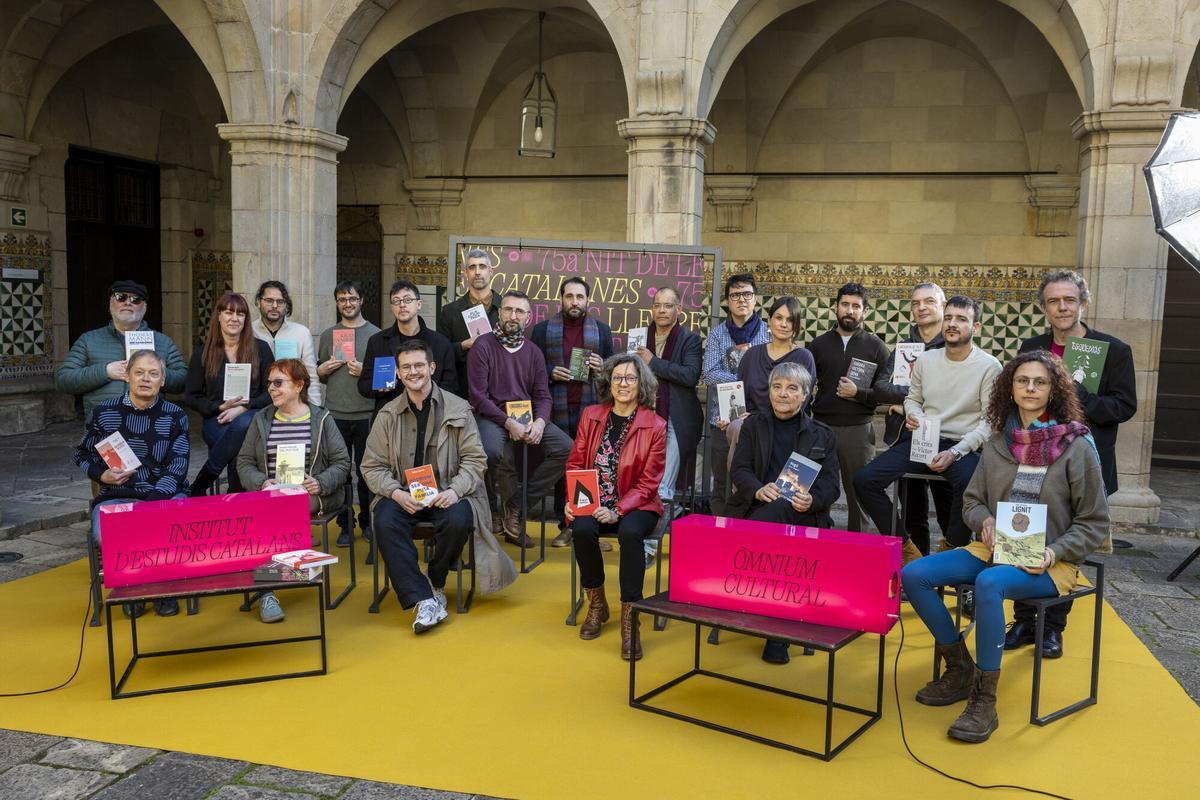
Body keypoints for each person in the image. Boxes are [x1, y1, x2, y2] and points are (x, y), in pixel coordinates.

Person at [901, 351, 1108, 743]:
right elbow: (972, 501)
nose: (1030, 388)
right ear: (1009, 387)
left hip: (1052, 560)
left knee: (990, 584)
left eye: (1040, 382)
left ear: (1054, 390)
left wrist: (1054, 551)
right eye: (1022, 381)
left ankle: (985, 700)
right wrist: (986, 522)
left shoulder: (1076, 446)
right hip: (994, 549)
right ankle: (959, 668)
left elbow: (1095, 522)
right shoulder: (998, 443)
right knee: (915, 573)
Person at [1008, 270, 1136, 658]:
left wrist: (1082, 397)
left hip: (1081, 464)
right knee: (1025, 536)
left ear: (1083, 301)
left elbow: (1124, 406)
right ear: (1044, 307)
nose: (1061, 307)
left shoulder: (1112, 349)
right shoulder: (1033, 346)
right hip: (1033, 458)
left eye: (1069, 299)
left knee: (1066, 546)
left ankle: (1052, 626)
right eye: (1053, 301)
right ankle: (1024, 619)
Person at [360, 340, 515, 633]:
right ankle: (424, 598)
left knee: (459, 520)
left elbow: (475, 460)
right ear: (398, 372)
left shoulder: (459, 409)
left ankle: (436, 579)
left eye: (419, 365)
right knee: (384, 520)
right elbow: (371, 466)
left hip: (448, 491)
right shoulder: (388, 414)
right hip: (404, 493)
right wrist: (395, 492)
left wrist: (455, 490)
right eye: (406, 367)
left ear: (431, 368)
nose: (413, 371)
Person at [854, 296, 1001, 548]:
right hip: (924, 440)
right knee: (864, 480)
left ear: (975, 328)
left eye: (962, 319)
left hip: (963, 446)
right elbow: (913, 399)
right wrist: (915, 415)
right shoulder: (926, 360)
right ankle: (904, 547)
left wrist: (955, 452)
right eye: (950, 317)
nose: (953, 324)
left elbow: (989, 422)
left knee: (968, 487)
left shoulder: (989, 366)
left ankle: (954, 550)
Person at [728, 362, 841, 664]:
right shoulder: (753, 425)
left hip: (802, 516)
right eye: (777, 387)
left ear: (805, 395)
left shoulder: (822, 435)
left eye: (792, 388)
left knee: (783, 508)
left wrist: (813, 500)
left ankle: (755, 604)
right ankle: (776, 630)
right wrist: (757, 489)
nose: (783, 394)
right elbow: (739, 469)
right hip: (756, 508)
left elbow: (832, 487)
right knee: (775, 510)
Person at [72, 349, 190, 618]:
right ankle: (136, 583)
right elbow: (82, 454)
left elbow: (178, 466)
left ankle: (158, 586)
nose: (146, 379)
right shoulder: (104, 413)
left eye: (153, 374)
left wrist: (149, 507)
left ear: (162, 381)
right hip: (118, 494)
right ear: (127, 376)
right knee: (105, 534)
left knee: (168, 527)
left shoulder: (175, 415)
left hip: (164, 495)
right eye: (139, 372)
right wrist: (102, 475)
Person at [566, 353, 666, 661]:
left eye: (630, 379)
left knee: (630, 535)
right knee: (581, 529)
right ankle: (597, 604)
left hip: (638, 503)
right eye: (618, 378)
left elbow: (649, 483)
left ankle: (630, 619)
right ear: (609, 382)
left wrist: (618, 511)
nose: (623, 384)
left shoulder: (656, 424)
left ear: (641, 385)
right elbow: (576, 463)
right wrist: (572, 501)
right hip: (594, 499)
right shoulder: (592, 415)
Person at [236, 359, 351, 623]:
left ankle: (273, 582)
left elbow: (342, 463)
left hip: (311, 495)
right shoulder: (261, 419)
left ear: (299, 385)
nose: (271, 389)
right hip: (271, 495)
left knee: (273, 512)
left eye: (278, 383)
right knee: (265, 510)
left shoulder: (321, 418)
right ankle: (269, 588)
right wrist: (262, 483)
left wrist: (320, 482)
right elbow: (244, 461)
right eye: (269, 384)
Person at [468, 290, 573, 547]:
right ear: (500, 312)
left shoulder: (534, 352)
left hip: (527, 417)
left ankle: (516, 504)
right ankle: (493, 510)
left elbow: (543, 396)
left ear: (528, 318)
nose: (513, 316)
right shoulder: (483, 346)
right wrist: (507, 422)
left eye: (519, 311)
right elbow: (478, 397)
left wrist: (539, 422)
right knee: (493, 452)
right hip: (492, 416)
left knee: (567, 449)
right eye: (508, 309)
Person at [530, 277, 615, 548]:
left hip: (592, 409)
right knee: (565, 467)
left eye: (580, 296)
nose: (575, 301)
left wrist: (603, 366)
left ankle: (590, 526)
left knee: (593, 467)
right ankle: (565, 526)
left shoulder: (602, 330)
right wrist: (549, 372)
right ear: (561, 299)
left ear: (588, 300)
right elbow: (533, 369)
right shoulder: (542, 330)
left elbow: (613, 372)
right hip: (555, 408)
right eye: (569, 296)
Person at [871, 283, 953, 562]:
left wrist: (907, 402)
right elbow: (881, 387)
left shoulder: (954, 345)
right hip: (907, 437)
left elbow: (952, 392)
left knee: (949, 511)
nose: (922, 307)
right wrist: (914, 400)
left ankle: (955, 575)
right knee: (913, 512)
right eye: (916, 303)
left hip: (946, 438)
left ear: (943, 306)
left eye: (929, 301)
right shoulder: (906, 347)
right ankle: (917, 569)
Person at [807, 283, 891, 534]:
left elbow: (886, 393)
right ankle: (817, 544)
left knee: (859, 497)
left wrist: (859, 393)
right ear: (836, 307)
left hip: (859, 431)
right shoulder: (817, 345)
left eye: (856, 306)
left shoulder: (876, 347)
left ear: (865, 311)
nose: (850, 310)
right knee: (816, 491)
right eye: (845, 304)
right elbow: (806, 386)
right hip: (821, 428)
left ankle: (857, 550)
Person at [723, 296, 815, 509]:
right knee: (736, 426)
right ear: (770, 321)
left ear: (797, 325)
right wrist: (735, 414)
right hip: (753, 422)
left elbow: (804, 399)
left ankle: (783, 506)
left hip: (789, 421)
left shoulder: (804, 356)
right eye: (778, 318)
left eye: (790, 320)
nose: (783, 324)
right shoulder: (752, 354)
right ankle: (744, 497)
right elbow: (739, 394)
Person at [634, 286, 703, 564]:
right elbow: (630, 370)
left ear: (678, 310)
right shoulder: (640, 337)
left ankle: (649, 548)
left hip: (676, 420)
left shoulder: (690, 340)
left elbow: (689, 376)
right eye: (657, 305)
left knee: (663, 486)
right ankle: (635, 536)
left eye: (667, 305)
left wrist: (653, 362)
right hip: (643, 418)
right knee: (641, 482)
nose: (662, 310)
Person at [55, 280, 186, 423]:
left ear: (144, 307)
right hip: (104, 425)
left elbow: (183, 381)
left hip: (150, 424)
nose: (128, 303)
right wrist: (105, 371)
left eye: (135, 300)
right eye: (120, 297)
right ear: (111, 303)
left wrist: (157, 372)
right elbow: (63, 380)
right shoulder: (88, 340)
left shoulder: (163, 342)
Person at [184, 292, 275, 496]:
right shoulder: (203, 352)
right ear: (218, 316)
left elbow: (272, 391)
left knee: (244, 425)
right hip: (217, 420)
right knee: (241, 442)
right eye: (228, 312)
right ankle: (239, 502)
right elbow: (191, 395)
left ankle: (202, 483)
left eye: (240, 314)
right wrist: (219, 407)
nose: (234, 318)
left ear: (246, 319)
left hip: (254, 416)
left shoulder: (261, 349)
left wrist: (243, 408)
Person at [317, 281, 381, 547]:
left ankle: (367, 521)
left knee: (366, 473)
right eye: (342, 299)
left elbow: (383, 378)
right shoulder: (328, 334)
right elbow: (319, 372)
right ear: (336, 303)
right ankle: (346, 524)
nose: (347, 303)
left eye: (352, 298)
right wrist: (325, 369)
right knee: (341, 474)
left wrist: (364, 371)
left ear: (361, 300)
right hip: (335, 413)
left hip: (366, 413)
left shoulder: (376, 335)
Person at [701, 274, 770, 516]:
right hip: (722, 420)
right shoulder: (718, 335)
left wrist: (744, 380)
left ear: (755, 299)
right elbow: (709, 373)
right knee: (721, 482)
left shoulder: (769, 334)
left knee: (753, 482)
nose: (741, 300)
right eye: (735, 295)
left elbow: (774, 376)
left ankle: (748, 534)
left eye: (747, 294)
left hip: (759, 420)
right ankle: (721, 535)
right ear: (728, 302)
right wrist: (747, 380)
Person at [359, 279, 456, 412]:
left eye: (407, 300)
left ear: (419, 304)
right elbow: (364, 386)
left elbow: (451, 387)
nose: (402, 305)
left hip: (430, 415)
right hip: (390, 416)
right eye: (396, 301)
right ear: (392, 307)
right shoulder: (377, 341)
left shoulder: (440, 343)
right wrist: (380, 388)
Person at [438, 247, 501, 397]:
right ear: (466, 273)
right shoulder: (449, 311)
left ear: (491, 271)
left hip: (500, 392)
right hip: (462, 393)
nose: (477, 272)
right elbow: (440, 353)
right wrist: (463, 345)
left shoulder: (507, 308)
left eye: (482, 266)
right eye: (472, 267)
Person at [251, 281, 321, 406]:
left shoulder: (301, 332)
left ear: (286, 305)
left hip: (293, 404)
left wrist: (315, 408)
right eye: (269, 300)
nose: (274, 305)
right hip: (257, 406)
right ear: (258, 302)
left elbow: (311, 375)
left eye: (280, 301)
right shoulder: (249, 332)